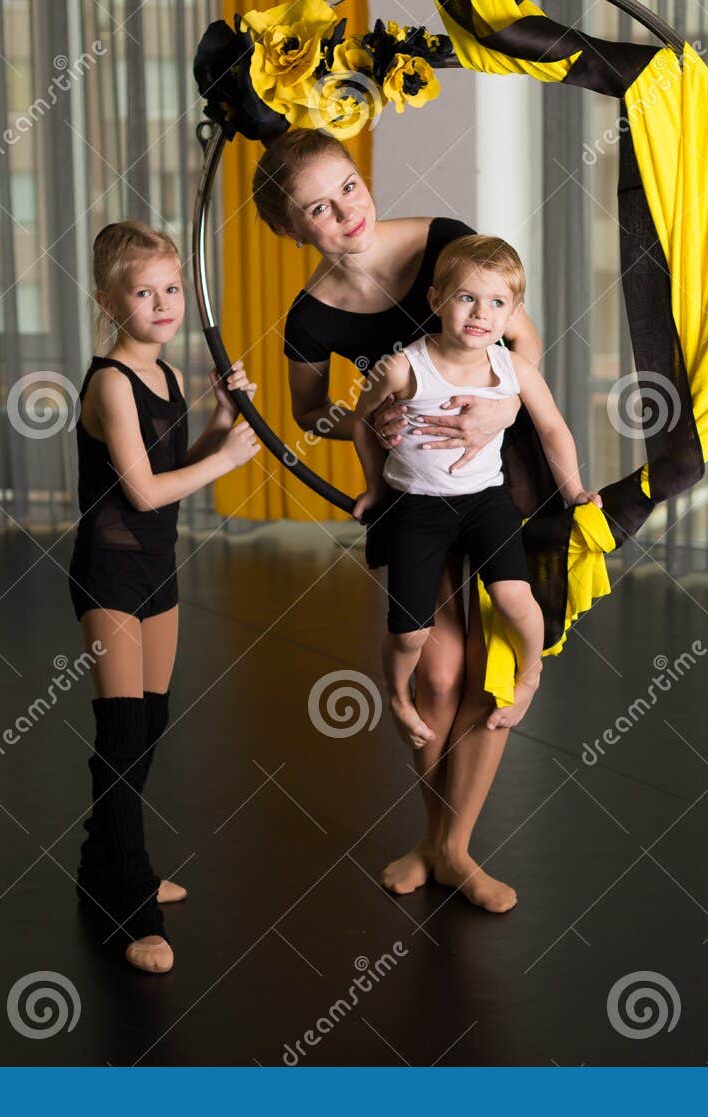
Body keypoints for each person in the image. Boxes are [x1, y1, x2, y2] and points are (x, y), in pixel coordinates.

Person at [253, 129, 537, 913]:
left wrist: (501, 410)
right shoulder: (312, 317)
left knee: (493, 663)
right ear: (292, 228)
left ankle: (452, 848)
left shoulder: (443, 241)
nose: (345, 210)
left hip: (495, 478)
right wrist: (368, 420)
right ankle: (435, 840)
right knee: (438, 672)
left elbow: (520, 334)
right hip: (414, 494)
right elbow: (310, 413)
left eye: (347, 184)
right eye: (317, 206)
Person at [68, 220, 261, 971]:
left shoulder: (169, 378)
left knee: (149, 722)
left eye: (172, 288)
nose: (163, 302)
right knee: (119, 738)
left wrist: (219, 419)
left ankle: (102, 861)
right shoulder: (111, 383)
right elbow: (146, 491)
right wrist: (231, 459)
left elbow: (176, 461)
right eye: (142, 292)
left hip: (157, 569)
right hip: (109, 573)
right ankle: (131, 906)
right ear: (109, 303)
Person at [352, 235, 599, 745]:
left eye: (497, 303)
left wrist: (574, 491)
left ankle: (529, 674)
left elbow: (553, 428)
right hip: (417, 506)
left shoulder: (514, 369)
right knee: (409, 633)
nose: (479, 313)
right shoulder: (403, 368)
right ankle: (398, 695)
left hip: (485, 502)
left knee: (516, 602)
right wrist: (374, 486)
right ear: (436, 299)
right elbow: (360, 422)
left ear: (513, 314)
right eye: (466, 297)